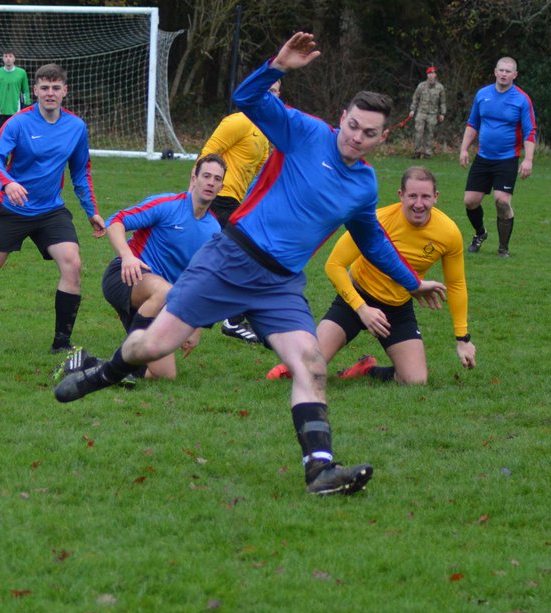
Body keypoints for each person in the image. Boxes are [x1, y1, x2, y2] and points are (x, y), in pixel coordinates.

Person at [54, 32, 447, 496]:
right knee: (154, 346)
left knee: (311, 365)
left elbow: (374, 242)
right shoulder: (302, 131)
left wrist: (411, 281)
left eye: (369, 133)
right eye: (353, 125)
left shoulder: (363, 186)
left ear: (383, 137)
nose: (357, 137)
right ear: (342, 118)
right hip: (230, 259)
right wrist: (278, 64)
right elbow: (244, 99)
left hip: (280, 286)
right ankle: (103, 373)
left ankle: (320, 471)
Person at [0, 63, 105, 354]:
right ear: (35, 91)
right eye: (44, 88)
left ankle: (61, 344)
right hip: (12, 211)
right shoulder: (18, 122)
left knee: (73, 264)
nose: (50, 93)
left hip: (51, 211)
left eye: (55, 88)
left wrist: (92, 212)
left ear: (65, 91)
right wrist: (8, 184)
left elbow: (81, 172)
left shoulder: (76, 127)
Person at [265, 166, 474, 384]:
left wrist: (463, 339)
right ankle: (293, 362)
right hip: (356, 299)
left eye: (425, 197)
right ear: (401, 195)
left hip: (397, 308)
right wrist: (361, 309)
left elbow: (456, 284)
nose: (419, 204)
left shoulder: (448, 233)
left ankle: (367, 370)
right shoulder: (376, 222)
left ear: (436, 197)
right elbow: (334, 265)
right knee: (307, 370)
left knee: (415, 380)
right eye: (412, 196)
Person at [69, 154, 224, 381]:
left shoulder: (213, 230)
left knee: (164, 375)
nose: (211, 182)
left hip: (159, 302)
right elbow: (116, 221)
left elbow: (201, 281)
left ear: (222, 186)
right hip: (125, 277)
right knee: (164, 291)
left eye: (217, 179)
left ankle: (89, 364)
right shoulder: (168, 205)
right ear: (194, 177)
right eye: (206, 176)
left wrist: (196, 326)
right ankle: (129, 350)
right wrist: (127, 256)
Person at [198, 80, 282, 344]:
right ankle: (231, 320)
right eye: (267, 91)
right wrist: (198, 195)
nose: (272, 96)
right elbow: (207, 155)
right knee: (247, 257)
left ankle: (220, 314)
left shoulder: (265, 129)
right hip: (219, 199)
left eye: (276, 92)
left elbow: (257, 171)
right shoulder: (238, 121)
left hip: (237, 203)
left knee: (237, 259)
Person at [459, 56, 536, 258]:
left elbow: (530, 131)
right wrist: (464, 148)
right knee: (470, 201)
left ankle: (503, 248)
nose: (503, 74)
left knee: (502, 201)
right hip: (483, 157)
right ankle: (480, 233)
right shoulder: (482, 94)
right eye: (501, 70)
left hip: (507, 159)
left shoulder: (521, 99)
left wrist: (528, 159)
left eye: (508, 71)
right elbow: (473, 123)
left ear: (515, 75)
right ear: (495, 71)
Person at [408, 66, 446, 159]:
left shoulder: (440, 87)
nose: (432, 75)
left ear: (435, 75)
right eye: (430, 73)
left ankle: (427, 154)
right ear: (427, 75)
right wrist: (412, 110)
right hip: (421, 112)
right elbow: (415, 98)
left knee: (429, 133)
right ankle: (416, 152)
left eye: (433, 73)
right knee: (418, 133)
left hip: (432, 114)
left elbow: (442, 101)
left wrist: (442, 113)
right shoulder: (421, 86)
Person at [0, 50, 29, 131]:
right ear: (3, 58)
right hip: (1, 110)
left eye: (10, 56)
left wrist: (27, 107)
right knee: (2, 134)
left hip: (16, 110)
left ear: (14, 58)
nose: (8, 59)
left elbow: (25, 91)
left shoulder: (22, 73)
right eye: (6, 56)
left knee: (16, 133)